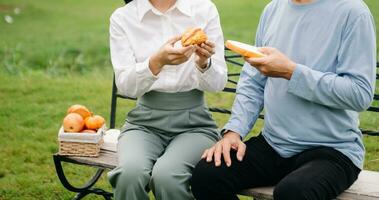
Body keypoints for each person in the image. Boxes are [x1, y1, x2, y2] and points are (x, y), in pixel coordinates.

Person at [191, 0, 376, 199]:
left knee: (293, 193)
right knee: (207, 175)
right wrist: (234, 132)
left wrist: (291, 72)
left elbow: (359, 94)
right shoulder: (273, 10)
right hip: (274, 144)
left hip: (333, 149)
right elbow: (253, 83)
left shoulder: (353, 12)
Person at [107, 0, 227, 199]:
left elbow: (218, 83)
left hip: (195, 124)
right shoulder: (123, 18)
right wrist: (156, 62)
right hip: (143, 123)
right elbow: (126, 86)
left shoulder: (204, 9)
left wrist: (204, 62)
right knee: (129, 175)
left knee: (168, 177)